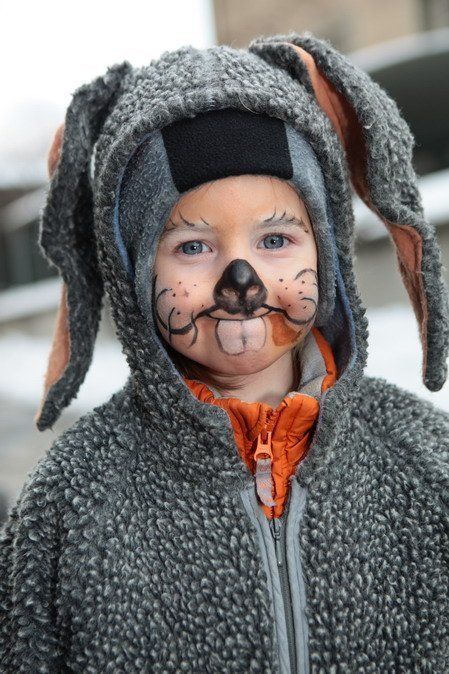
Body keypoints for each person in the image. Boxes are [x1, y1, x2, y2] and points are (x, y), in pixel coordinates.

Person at [1, 32, 448, 672]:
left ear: (326, 248)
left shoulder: (427, 462)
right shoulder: (69, 504)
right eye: (192, 247)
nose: (242, 282)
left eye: (275, 240)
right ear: (132, 271)